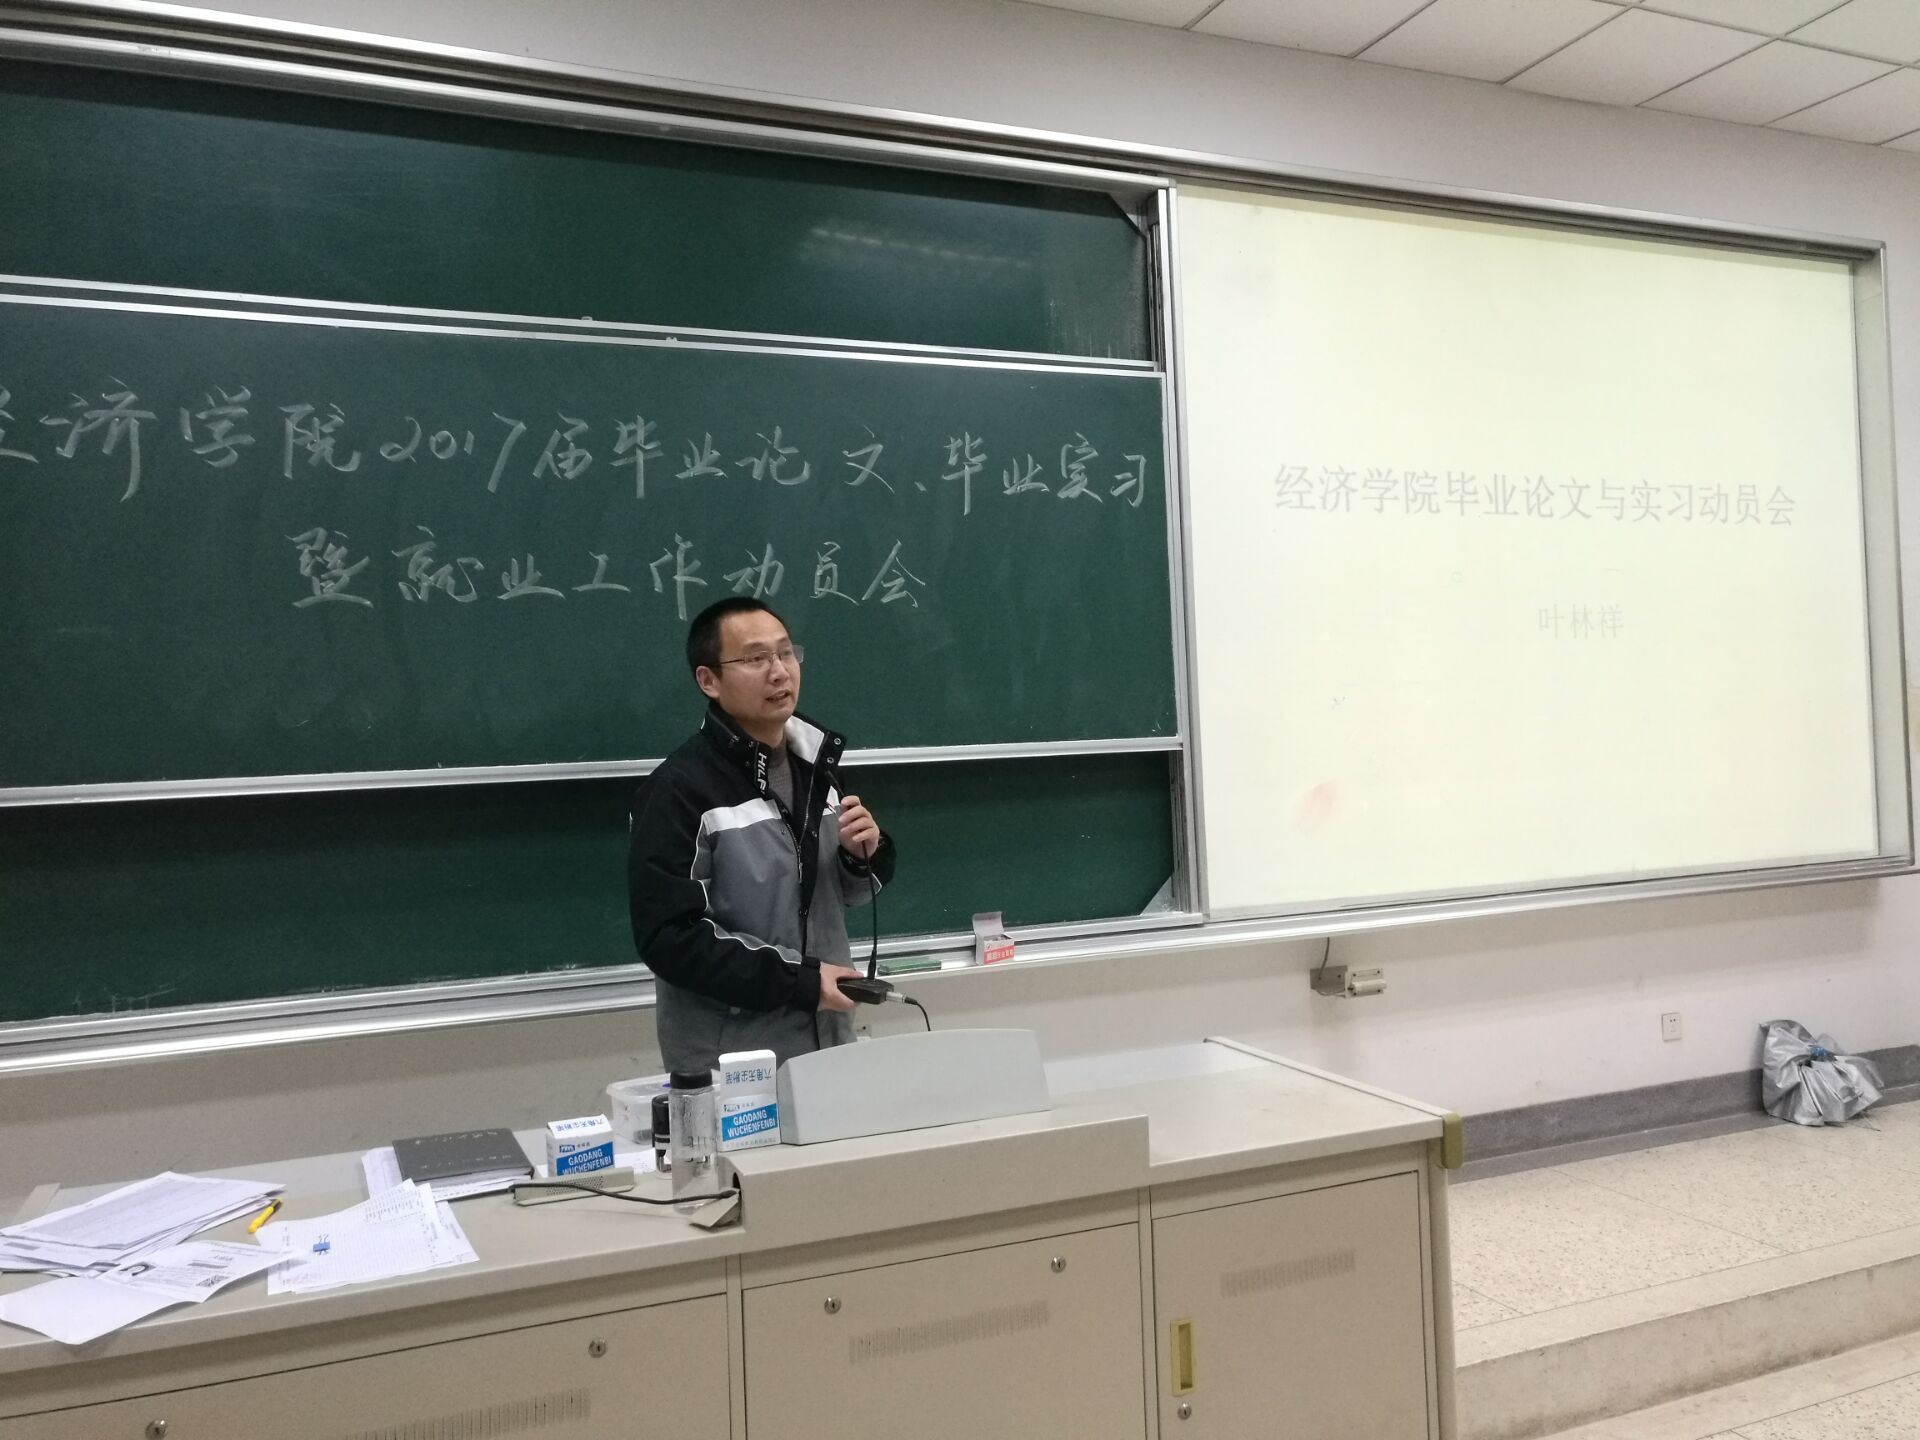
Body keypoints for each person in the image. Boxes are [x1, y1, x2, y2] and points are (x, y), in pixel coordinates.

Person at [629, 596, 896, 1074]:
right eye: (756, 658)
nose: (779, 672)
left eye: (786, 653)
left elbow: (844, 895)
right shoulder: (678, 792)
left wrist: (861, 856)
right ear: (708, 680)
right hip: (733, 1064)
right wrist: (802, 982)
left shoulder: (818, 768)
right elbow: (671, 940)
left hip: (828, 1045)